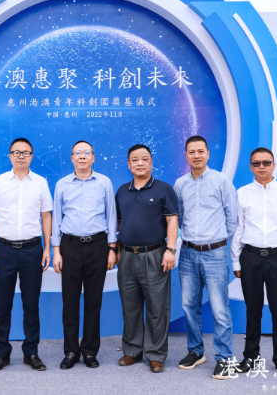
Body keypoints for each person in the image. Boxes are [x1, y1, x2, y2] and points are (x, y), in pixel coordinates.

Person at [0, 138, 53, 372]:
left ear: (32, 156)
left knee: (31, 304)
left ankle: (31, 352)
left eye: (26, 153)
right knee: (3, 304)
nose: (21, 156)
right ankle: (2, 353)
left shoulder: (41, 183)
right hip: (3, 250)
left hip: (32, 249)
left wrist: (47, 248)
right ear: (9, 156)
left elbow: (46, 216)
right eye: (16, 152)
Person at [231, 147, 277, 377]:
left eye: (266, 162)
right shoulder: (242, 193)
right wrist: (236, 262)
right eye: (256, 163)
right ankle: (250, 357)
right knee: (252, 310)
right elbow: (238, 228)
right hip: (250, 257)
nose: (261, 167)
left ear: (274, 165)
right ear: (250, 167)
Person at [174, 135, 238, 379]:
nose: (196, 155)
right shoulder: (180, 184)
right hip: (188, 253)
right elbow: (179, 217)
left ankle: (225, 358)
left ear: (208, 154)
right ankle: (196, 351)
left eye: (201, 151)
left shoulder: (222, 181)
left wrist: (217, 241)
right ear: (186, 155)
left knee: (220, 308)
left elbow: (232, 218)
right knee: (189, 305)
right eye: (192, 152)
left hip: (214, 252)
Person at [52, 140, 118, 370]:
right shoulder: (62, 184)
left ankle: (90, 350)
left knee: (93, 301)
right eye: (77, 153)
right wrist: (56, 251)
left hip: (98, 245)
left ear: (93, 157)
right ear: (72, 158)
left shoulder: (104, 182)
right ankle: (71, 351)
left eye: (86, 152)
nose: (82, 156)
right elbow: (56, 219)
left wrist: (112, 248)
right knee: (69, 301)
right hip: (69, 245)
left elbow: (111, 215)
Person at [115, 144, 178, 373]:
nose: (140, 163)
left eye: (144, 159)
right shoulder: (122, 191)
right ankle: (132, 351)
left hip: (155, 255)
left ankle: (156, 354)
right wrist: (116, 250)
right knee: (130, 307)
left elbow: (172, 220)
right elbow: (119, 222)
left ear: (151, 162)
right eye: (135, 159)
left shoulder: (164, 189)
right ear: (128, 164)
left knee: (157, 308)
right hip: (127, 256)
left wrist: (171, 250)